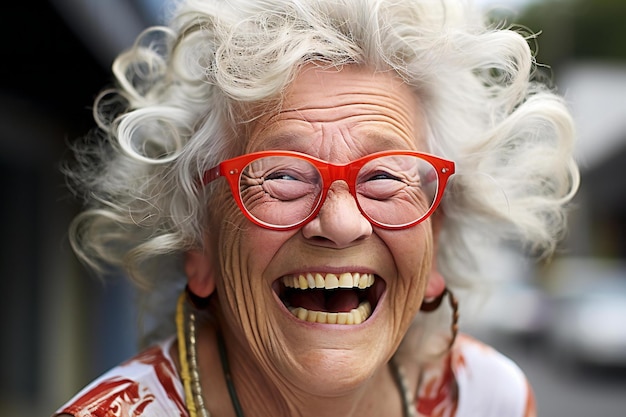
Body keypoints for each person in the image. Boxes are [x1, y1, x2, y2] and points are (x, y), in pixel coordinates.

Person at [52, 0, 579, 416]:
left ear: (435, 238)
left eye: (384, 176)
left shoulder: (488, 401)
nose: (341, 223)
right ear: (200, 243)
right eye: (282, 175)